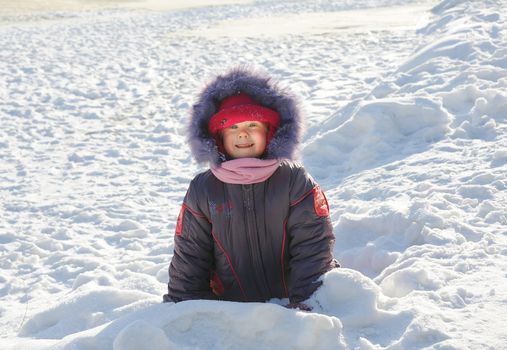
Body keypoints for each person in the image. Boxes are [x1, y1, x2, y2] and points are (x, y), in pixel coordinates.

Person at [163, 67, 339, 310]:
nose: (243, 134)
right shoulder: (203, 190)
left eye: (252, 124)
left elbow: (312, 247)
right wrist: (183, 310)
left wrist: (306, 304)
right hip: (234, 309)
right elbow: (191, 257)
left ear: (270, 131)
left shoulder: (294, 180)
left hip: (292, 301)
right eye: (232, 127)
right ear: (217, 137)